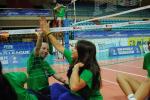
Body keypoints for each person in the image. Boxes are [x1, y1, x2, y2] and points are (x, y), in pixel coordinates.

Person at [40, 17, 103, 100]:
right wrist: (48, 32)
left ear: (82, 53)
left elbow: (73, 87)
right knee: (55, 87)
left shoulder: (89, 71)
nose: (72, 49)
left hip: (88, 98)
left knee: (64, 97)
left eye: (75, 48)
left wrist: (76, 68)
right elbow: (59, 46)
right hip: (78, 95)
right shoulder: (74, 58)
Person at [27, 19, 67, 98]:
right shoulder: (33, 59)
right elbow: (37, 48)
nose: (46, 51)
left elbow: (55, 75)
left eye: (47, 50)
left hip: (45, 89)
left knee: (62, 89)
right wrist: (41, 36)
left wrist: (67, 82)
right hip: (34, 91)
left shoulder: (45, 63)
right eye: (44, 48)